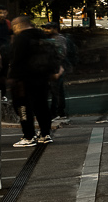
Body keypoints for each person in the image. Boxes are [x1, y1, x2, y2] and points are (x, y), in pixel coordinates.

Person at [6, 16, 61, 146]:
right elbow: (53, 54)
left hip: (24, 79)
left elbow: (16, 59)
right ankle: (45, 134)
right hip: (43, 77)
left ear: (17, 25)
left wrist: (12, 77)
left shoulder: (21, 38)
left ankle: (28, 136)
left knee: (23, 107)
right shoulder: (43, 36)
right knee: (42, 106)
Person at [46, 25, 75, 121]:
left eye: (49, 28)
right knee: (56, 91)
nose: (46, 30)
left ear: (55, 29)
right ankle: (57, 112)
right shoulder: (51, 38)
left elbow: (61, 54)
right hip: (56, 67)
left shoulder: (59, 39)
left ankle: (59, 112)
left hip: (58, 67)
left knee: (57, 91)